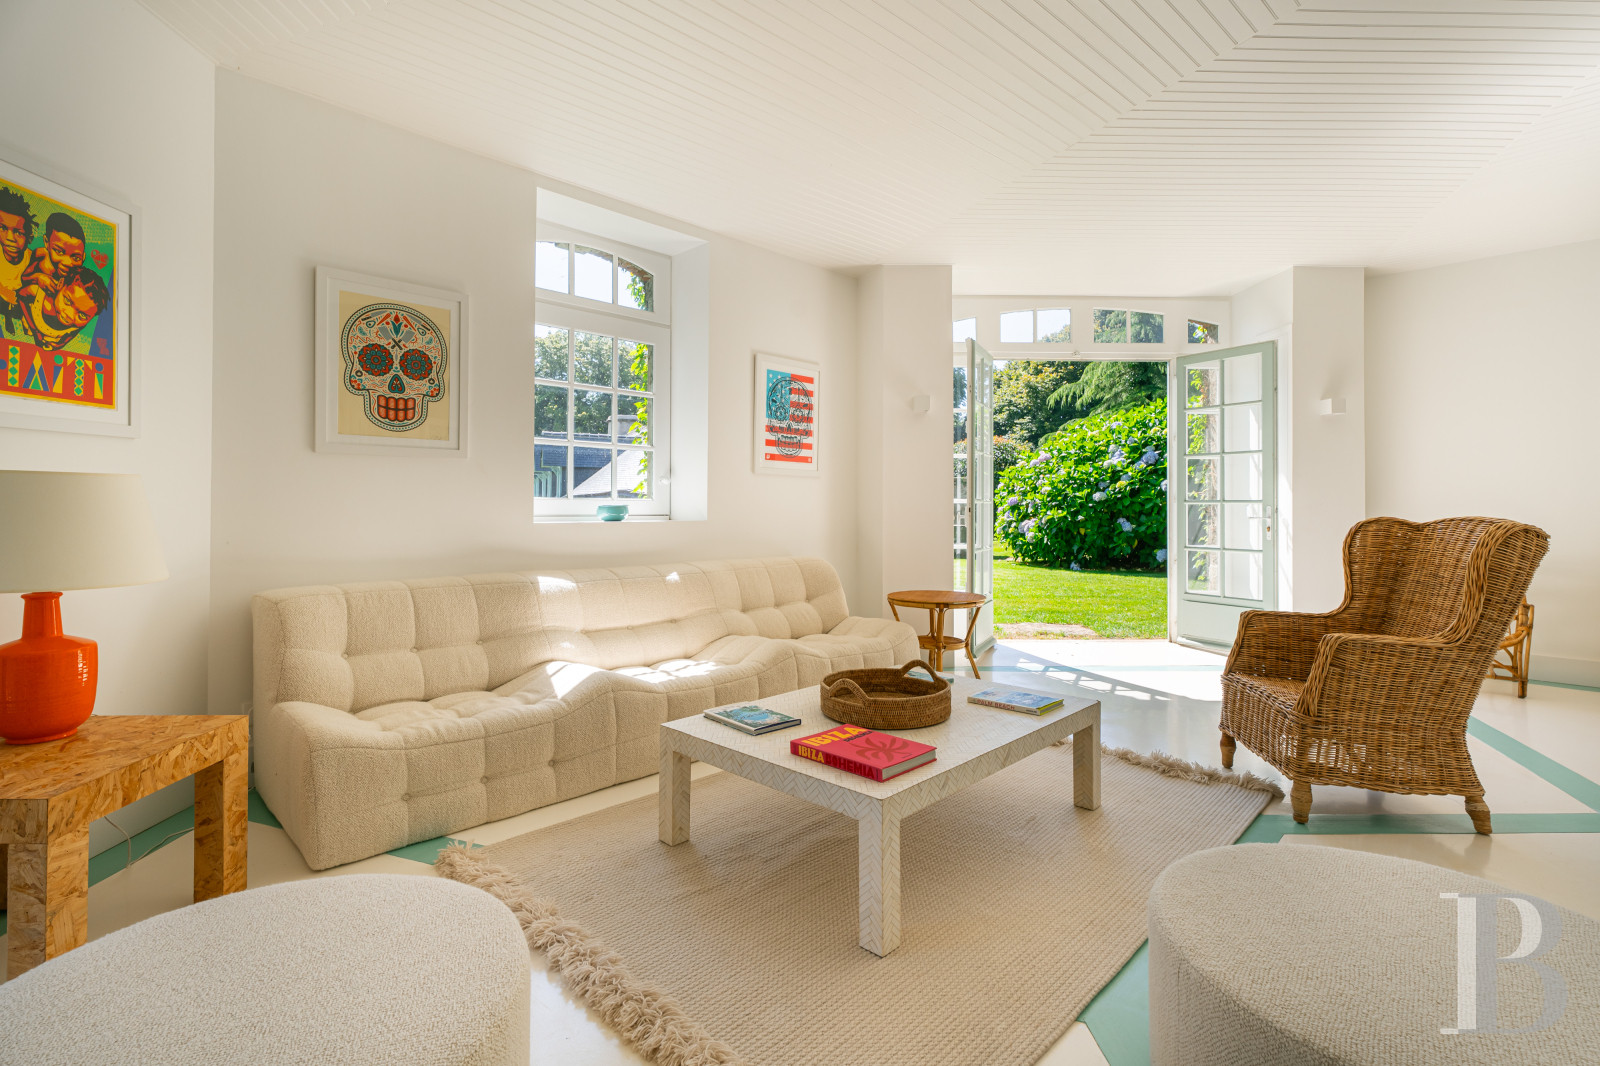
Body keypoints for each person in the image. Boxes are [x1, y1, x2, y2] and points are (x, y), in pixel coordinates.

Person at [18, 263, 109, 351]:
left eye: (82, 315)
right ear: (60, 284)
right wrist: (32, 327)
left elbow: (72, 334)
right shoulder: (40, 296)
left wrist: (59, 344)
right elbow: (21, 295)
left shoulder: (79, 324)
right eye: (67, 301)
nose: (69, 315)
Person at [20, 212, 87, 297]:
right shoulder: (41, 255)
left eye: (76, 258)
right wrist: (38, 278)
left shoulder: (79, 276)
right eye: (59, 252)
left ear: (83, 257)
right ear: (47, 243)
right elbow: (24, 277)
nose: (67, 262)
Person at [0, 186, 37, 335]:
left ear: (29, 236)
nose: (10, 238)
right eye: (2, 228)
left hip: (20, 304)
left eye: (18, 232)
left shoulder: (32, 259)